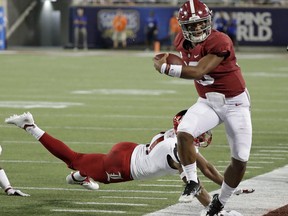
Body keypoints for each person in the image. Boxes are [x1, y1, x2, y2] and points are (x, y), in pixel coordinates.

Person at [4, 111, 253, 207]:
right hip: (122, 166)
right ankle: (30, 127)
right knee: (73, 157)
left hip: (128, 150)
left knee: (84, 165)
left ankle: (80, 176)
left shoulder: (172, 137)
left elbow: (206, 168)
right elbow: (199, 177)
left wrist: (231, 188)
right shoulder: (179, 148)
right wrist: (214, 208)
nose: (203, 134)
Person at [153, 0, 252, 215]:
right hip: (208, 102)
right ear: (183, 26)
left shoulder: (220, 41)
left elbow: (198, 71)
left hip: (235, 103)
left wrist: (166, 69)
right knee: (184, 132)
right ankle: (192, 181)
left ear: (208, 22)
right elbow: (186, 62)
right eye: (193, 25)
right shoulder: (181, 41)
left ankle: (220, 202)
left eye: (201, 23)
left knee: (240, 160)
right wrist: (167, 61)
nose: (198, 28)